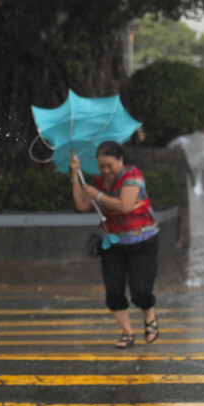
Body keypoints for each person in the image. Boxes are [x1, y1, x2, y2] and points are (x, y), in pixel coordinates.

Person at [69, 141, 159, 349]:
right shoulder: (99, 181)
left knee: (141, 290)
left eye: (110, 165)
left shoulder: (132, 175)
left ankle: (150, 317)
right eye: (101, 166)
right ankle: (127, 333)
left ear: (121, 160)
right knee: (114, 291)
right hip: (112, 243)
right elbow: (82, 205)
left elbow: (125, 206)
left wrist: (98, 196)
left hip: (142, 241)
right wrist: (75, 176)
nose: (106, 171)